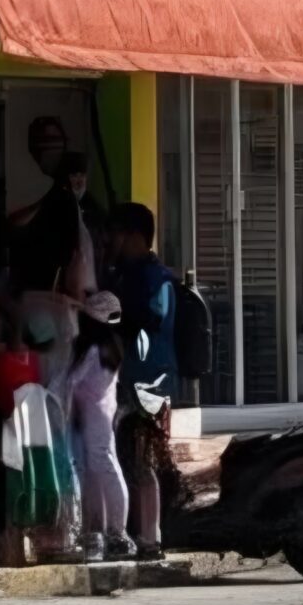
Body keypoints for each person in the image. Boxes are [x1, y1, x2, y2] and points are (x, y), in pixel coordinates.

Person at [105, 201, 178, 560]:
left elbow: (151, 321)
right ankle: (139, 535)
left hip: (149, 385)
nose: (111, 241)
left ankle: (150, 539)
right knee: (130, 460)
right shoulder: (130, 275)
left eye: (117, 234)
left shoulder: (154, 279)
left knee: (142, 461)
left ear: (133, 236)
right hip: (133, 383)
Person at [59, 291, 133, 560]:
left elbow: (71, 381)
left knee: (100, 468)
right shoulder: (112, 345)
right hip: (101, 413)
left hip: (91, 416)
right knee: (101, 469)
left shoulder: (91, 350)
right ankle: (108, 532)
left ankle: (111, 532)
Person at [9, 121, 100, 301]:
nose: (78, 181)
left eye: (82, 176)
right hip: (54, 287)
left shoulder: (92, 207)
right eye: (74, 175)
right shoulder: (54, 201)